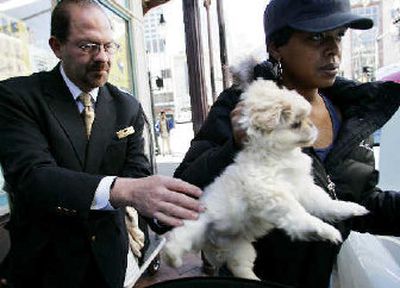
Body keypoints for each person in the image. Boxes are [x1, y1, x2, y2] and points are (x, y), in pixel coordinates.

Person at [174, 0, 400, 287]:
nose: (333, 50)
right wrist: (237, 145)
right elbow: (185, 195)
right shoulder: (243, 105)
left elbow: (359, 203)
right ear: (275, 47)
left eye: (339, 35)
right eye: (316, 37)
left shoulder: (350, 113)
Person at [0, 1, 204, 287]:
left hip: (108, 262)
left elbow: (138, 176)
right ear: (56, 46)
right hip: (44, 266)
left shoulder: (126, 107)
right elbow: (33, 177)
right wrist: (124, 190)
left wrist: (169, 209)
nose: (102, 58)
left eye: (109, 46)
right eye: (87, 46)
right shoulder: (17, 98)